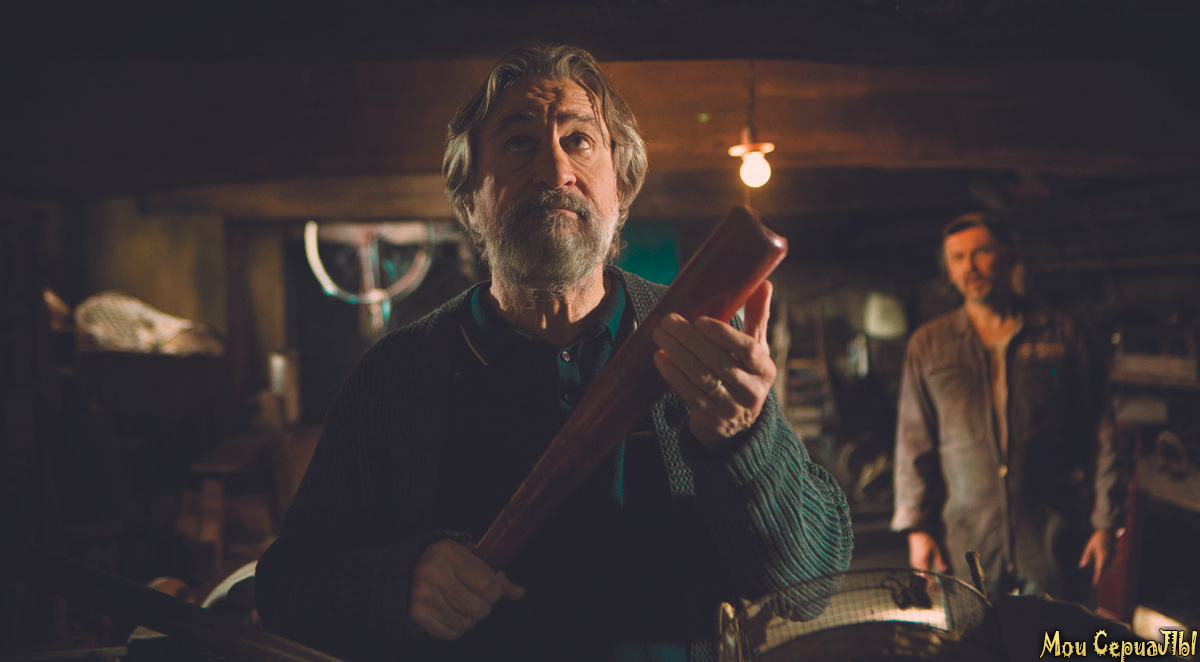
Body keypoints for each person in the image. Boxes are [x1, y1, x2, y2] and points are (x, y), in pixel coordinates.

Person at [255, 44, 852, 661]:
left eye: (579, 140)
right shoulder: (395, 377)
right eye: (519, 143)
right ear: (470, 200)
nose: (555, 170)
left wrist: (744, 440)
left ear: (621, 187)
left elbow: (812, 587)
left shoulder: (698, 344)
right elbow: (284, 591)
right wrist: (395, 586)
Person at [890, 212, 1123, 603]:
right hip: (968, 538)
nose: (970, 266)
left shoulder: (1065, 335)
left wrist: (1106, 523)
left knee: (1054, 633)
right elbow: (914, 444)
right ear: (949, 271)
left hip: (1051, 533)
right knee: (976, 635)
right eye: (958, 258)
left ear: (1010, 255)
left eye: (981, 252)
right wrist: (917, 529)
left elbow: (1101, 434)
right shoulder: (929, 346)